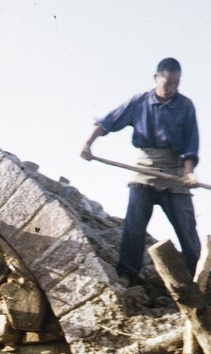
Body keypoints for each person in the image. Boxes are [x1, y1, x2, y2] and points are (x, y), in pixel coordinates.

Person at [81, 57, 201, 285]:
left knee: (187, 227)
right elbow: (108, 122)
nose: (172, 88)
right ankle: (127, 275)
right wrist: (88, 144)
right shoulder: (139, 102)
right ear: (156, 78)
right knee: (134, 225)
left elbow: (191, 145)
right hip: (144, 169)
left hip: (174, 172)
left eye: (176, 84)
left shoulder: (185, 106)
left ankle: (196, 278)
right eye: (168, 83)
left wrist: (189, 173)